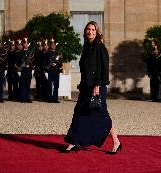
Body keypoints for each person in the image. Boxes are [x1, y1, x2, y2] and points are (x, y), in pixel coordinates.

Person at [64, 21, 121, 154]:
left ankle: (116, 141)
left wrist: (97, 86)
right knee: (78, 112)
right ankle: (74, 141)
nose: (90, 32)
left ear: (97, 32)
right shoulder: (86, 47)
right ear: (85, 32)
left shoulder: (100, 47)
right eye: (88, 29)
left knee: (101, 115)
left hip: (96, 88)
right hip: (86, 87)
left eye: (93, 30)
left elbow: (104, 69)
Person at [45, 37, 63, 103]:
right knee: (49, 85)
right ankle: (49, 98)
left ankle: (55, 98)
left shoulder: (58, 53)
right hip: (50, 71)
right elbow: (46, 62)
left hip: (56, 71)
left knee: (56, 86)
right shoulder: (47, 53)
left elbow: (60, 62)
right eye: (52, 45)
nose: (53, 46)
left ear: (55, 46)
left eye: (54, 45)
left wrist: (58, 66)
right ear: (50, 46)